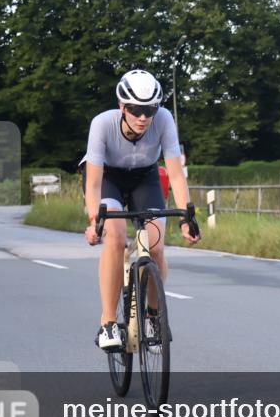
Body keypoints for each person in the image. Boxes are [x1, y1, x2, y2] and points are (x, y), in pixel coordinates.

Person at [82, 69, 201, 350]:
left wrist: (186, 218)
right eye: (136, 110)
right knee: (116, 235)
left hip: (144, 177)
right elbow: (94, 181)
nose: (144, 117)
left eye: (150, 110)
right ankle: (109, 323)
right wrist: (93, 221)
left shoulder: (164, 120)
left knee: (156, 243)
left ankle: (152, 315)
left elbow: (175, 173)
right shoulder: (102, 124)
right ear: (122, 107)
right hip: (108, 178)